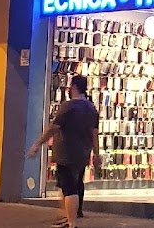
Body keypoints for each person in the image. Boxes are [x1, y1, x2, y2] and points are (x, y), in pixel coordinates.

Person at [29, 75, 100, 228]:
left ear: (74, 87)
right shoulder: (91, 108)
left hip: (66, 152)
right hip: (83, 152)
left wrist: (38, 144)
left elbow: (53, 127)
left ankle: (72, 223)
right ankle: (69, 217)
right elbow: (95, 133)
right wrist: (96, 153)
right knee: (72, 185)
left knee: (69, 188)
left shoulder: (68, 106)